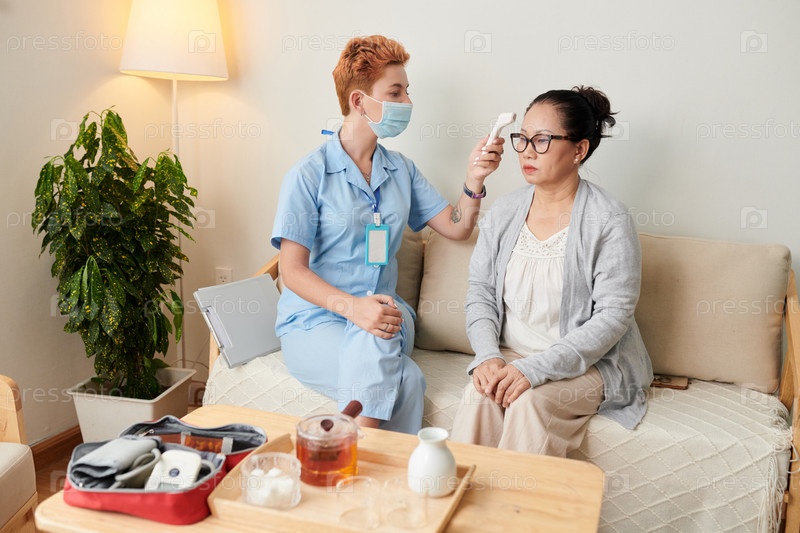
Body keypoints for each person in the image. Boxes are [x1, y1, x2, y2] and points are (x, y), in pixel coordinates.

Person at [270, 35, 503, 435]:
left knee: (378, 325)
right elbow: (291, 271)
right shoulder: (308, 175)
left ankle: (341, 451)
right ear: (359, 101)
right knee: (407, 379)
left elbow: (457, 226)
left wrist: (474, 178)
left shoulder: (401, 170)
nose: (407, 102)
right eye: (395, 93)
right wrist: (353, 308)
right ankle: (378, 464)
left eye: (407, 92)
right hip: (315, 322)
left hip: (389, 317)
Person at [450, 86, 653, 456]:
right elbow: (480, 292)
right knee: (478, 396)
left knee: (528, 402)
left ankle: (518, 496)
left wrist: (535, 370)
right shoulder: (504, 211)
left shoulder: (608, 219)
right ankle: (462, 494)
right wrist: (488, 357)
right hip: (512, 355)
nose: (527, 151)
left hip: (588, 366)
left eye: (542, 140)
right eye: (522, 138)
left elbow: (613, 316)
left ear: (579, 150)